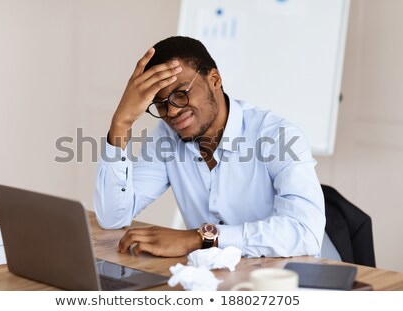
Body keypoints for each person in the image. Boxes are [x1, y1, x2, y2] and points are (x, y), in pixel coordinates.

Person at [94, 36, 325, 258]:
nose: (172, 111)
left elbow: (305, 232)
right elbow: (113, 217)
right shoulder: (167, 137)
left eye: (181, 94)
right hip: (210, 281)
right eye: (161, 104)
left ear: (214, 80)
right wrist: (121, 123)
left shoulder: (278, 136)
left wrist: (200, 238)